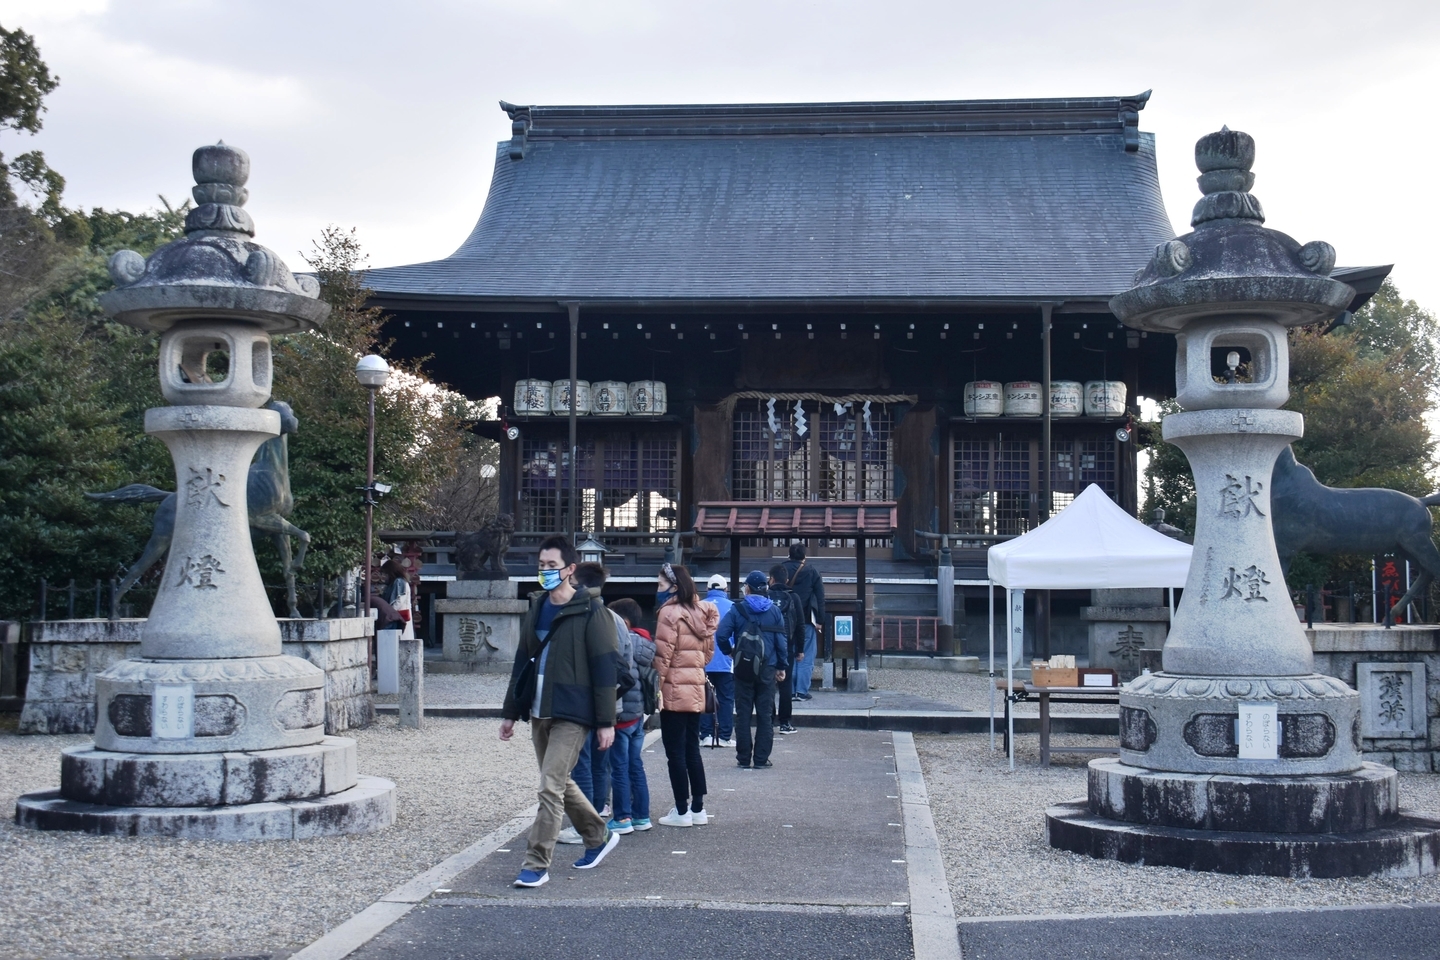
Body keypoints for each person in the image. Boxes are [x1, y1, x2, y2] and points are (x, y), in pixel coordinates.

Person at [500, 536, 620, 888]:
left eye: (552, 566)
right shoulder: (537, 606)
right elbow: (523, 661)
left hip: (573, 710)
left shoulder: (592, 611)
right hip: (540, 708)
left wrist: (605, 722)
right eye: (541, 565)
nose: (545, 571)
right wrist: (510, 712)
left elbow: (604, 669)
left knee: (549, 786)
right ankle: (597, 835)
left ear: (570, 569)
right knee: (560, 782)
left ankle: (536, 863)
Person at [652, 562, 717, 827]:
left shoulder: (668, 613)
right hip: (696, 688)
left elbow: (662, 658)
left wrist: (656, 688)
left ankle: (681, 811)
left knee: (674, 752)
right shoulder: (703, 612)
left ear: (673, 587)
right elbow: (708, 654)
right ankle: (698, 808)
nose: (657, 590)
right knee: (692, 750)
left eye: (660, 585)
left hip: (674, 690)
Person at [556, 562, 615, 845]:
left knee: (582, 764)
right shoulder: (610, 615)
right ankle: (598, 814)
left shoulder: (592, 616)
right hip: (608, 702)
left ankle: (587, 825)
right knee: (599, 764)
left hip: (587, 701)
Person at [716, 570, 789, 769]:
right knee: (765, 714)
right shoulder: (774, 611)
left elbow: (721, 635)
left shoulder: (738, 609)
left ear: (747, 588)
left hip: (743, 666)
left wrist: (730, 652)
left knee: (743, 712)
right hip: (767, 667)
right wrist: (781, 666)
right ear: (765, 589)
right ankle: (761, 759)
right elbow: (781, 642)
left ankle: (743, 758)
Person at [607, 597, 655, 834]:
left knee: (618, 767)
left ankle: (623, 817)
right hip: (638, 714)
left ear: (622, 621)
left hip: (622, 713)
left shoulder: (620, 640)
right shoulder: (646, 644)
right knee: (635, 764)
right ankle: (641, 816)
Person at [782, 543, 825, 701]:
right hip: (806, 620)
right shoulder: (811, 571)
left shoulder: (781, 569)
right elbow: (820, 597)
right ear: (804, 556)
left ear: (789, 555)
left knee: (788, 654)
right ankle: (801, 691)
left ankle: (789, 690)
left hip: (784, 621)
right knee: (805, 655)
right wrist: (820, 620)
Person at [698, 574, 735, 748]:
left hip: (702, 660)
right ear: (725, 589)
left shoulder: (698, 607)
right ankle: (724, 736)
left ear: (708, 589)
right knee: (726, 699)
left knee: (704, 698)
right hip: (727, 661)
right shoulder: (733, 607)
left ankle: (705, 734)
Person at [768, 564, 803, 735]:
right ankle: (785, 723)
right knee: (786, 685)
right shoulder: (794, 597)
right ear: (787, 580)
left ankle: (769, 719)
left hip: (767, 647)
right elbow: (800, 625)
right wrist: (800, 649)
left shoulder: (765, 596)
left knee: (768, 683)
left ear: (771, 579)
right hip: (787, 645)